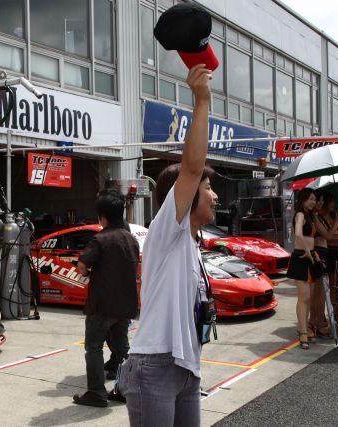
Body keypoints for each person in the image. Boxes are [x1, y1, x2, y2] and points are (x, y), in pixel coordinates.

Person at [119, 63, 215, 426]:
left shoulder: (191, 243)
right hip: (156, 365)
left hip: (186, 366)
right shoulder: (167, 230)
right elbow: (191, 169)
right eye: (208, 189)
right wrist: (202, 100)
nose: (215, 195)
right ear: (185, 197)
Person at [72, 189, 140, 408]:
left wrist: (91, 274)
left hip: (101, 305)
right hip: (125, 304)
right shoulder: (131, 239)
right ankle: (123, 389)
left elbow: (82, 266)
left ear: (103, 216)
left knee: (93, 348)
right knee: (122, 350)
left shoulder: (100, 239)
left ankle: (96, 393)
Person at [286, 188, 321, 349]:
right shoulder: (300, 214)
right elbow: (298, 234)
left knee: (310, 297)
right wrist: (308, 253)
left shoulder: (310, 216)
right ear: (303, 200)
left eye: (314, 199)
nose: (313, 202)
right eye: (310, 199)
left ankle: (304, 328)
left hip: (310, 256)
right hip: (302, 257)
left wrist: (313, 254)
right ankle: (303, 333)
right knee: (304, 297)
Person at [313, 192, 338, 337]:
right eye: (329, 201)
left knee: (336, 286)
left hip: (336, 251)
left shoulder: (331, 217)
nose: (333, 205)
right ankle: (327, 317)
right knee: (328, 287)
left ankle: (336, 315)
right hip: (327, 253)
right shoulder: (319, 217)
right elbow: (329, 237)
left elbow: (335, 236)